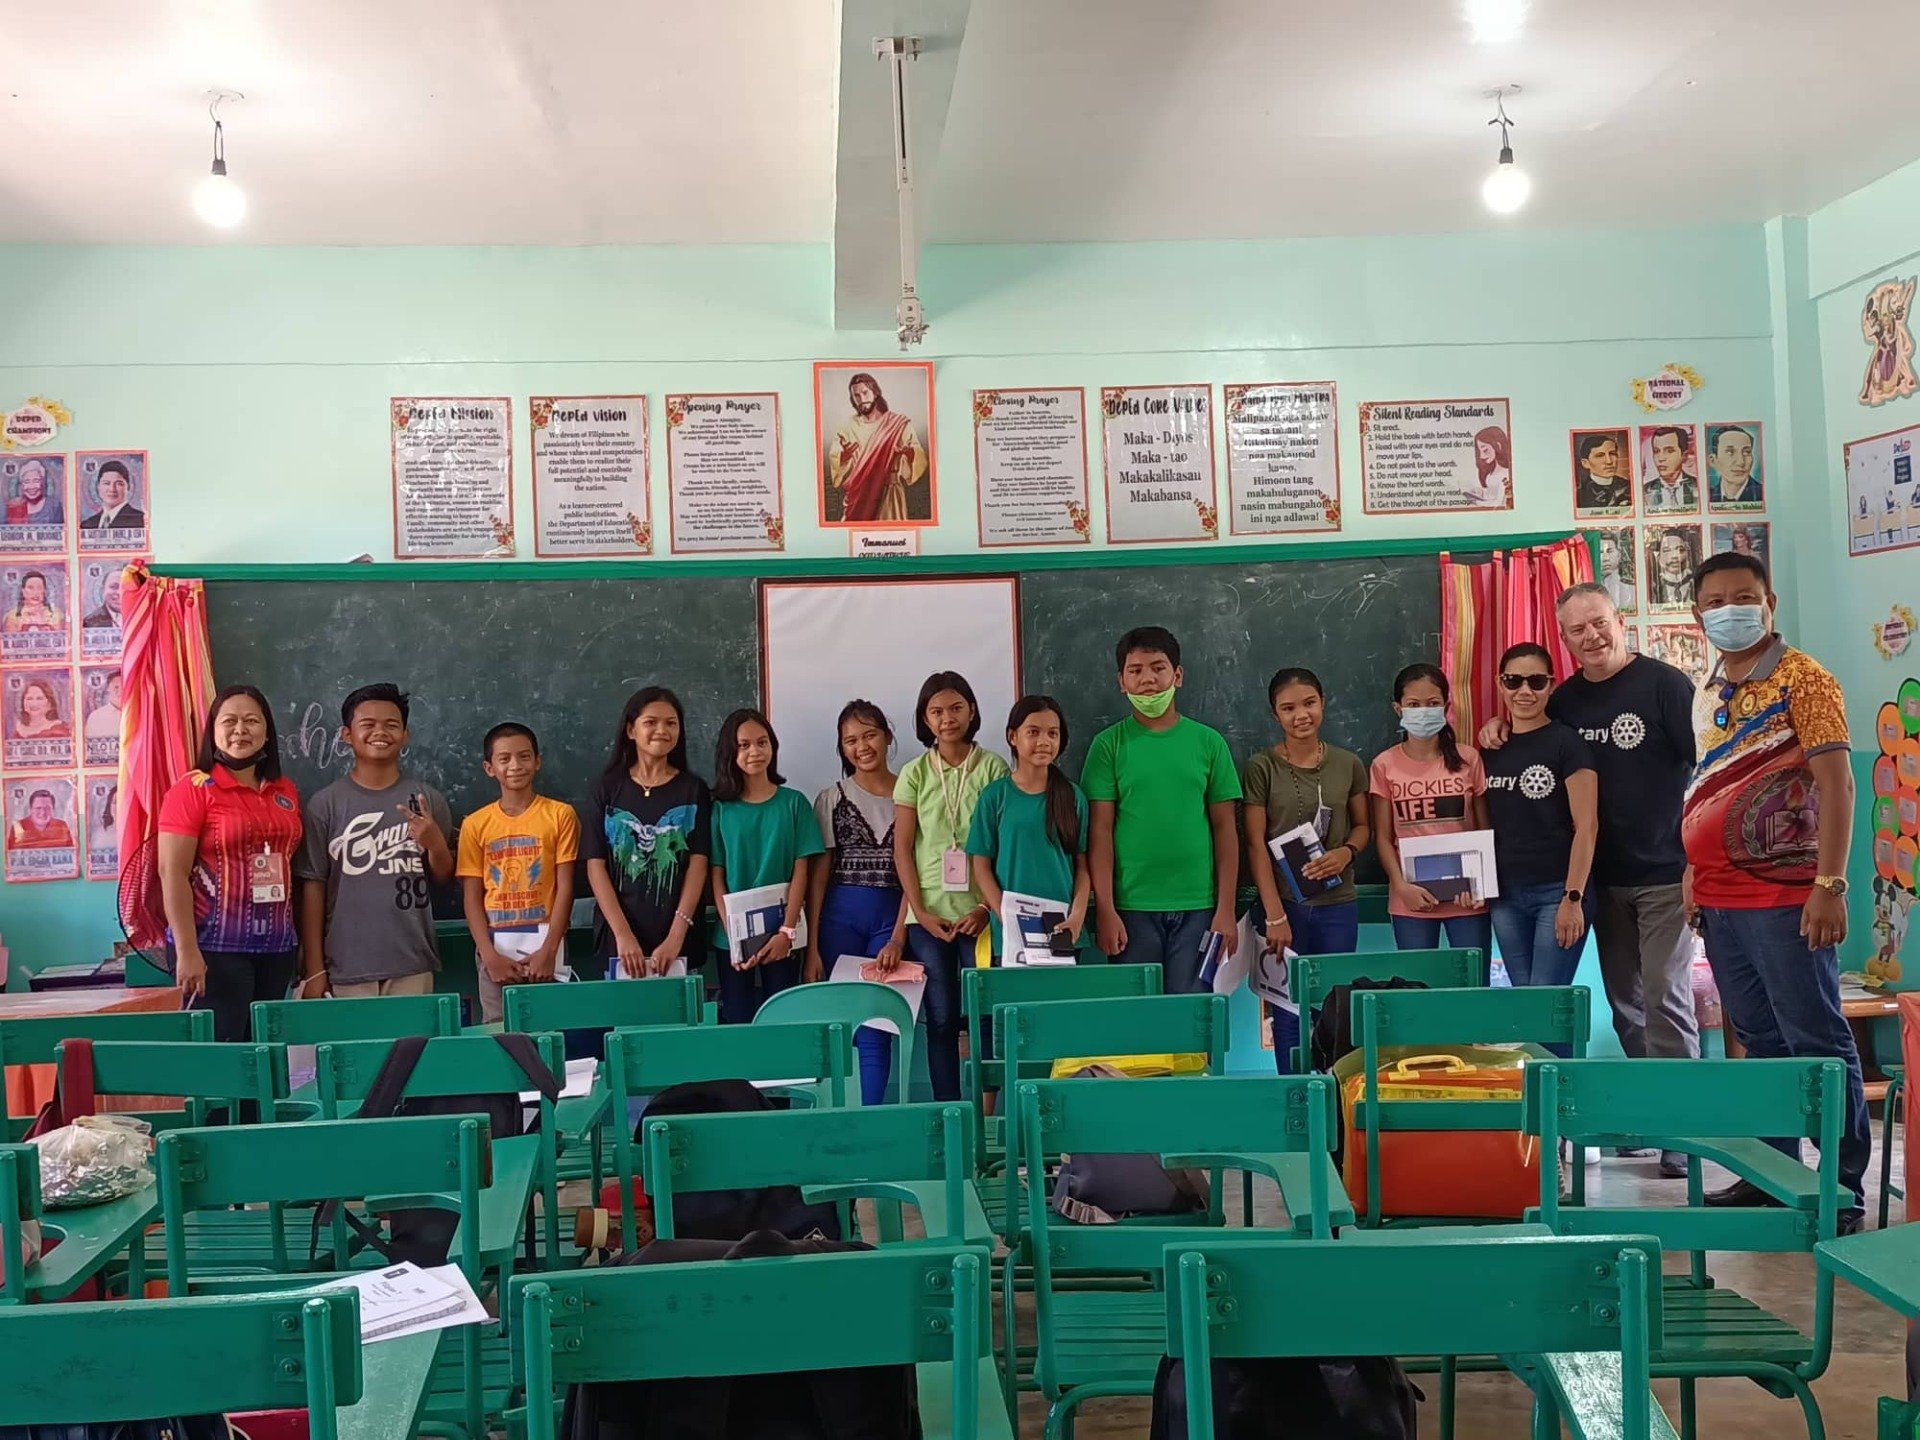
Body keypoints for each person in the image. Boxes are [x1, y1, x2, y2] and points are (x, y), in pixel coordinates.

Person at [1480, 583, 1700, 1177]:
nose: (1591, 637)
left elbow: (1704, 771)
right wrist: (1493, 732)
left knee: (1664, 994)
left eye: (1598, 623)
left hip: (1665, 874)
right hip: (1604, 881)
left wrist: (1697, 865)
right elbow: (1531, 742)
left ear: (1618, 620)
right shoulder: (1569, 700)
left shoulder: (1665, 685)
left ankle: (1684, 1132)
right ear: (1566, 640)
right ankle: (1652, 1118)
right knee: (1627, 1002)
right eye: (1577, 631)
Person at [1684, 552, 1869, 1230]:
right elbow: (1705, 784)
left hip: (1788, 895)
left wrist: (1830, 884)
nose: (1730, 609)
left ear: (1770, 603)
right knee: (1758, 1040)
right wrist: (1691, 871)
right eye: (1716, 600)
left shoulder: (1804, 678)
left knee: (1815, 1038)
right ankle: (1772, 1173)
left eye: (1744, 596)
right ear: (1699, 613)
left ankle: (1840, 1186)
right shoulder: (1708, 686)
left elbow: (1837, 785)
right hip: (1720, 899)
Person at [1085, 626, 1241, 991]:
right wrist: (1105, 910)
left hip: (1199, 907)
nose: (1148, 679)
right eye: (1135, 670)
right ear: (1121, 681)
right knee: (1141, 1025)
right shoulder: (1108, 746)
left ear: (1178, 675)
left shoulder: (1209, 743)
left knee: (1194, 1020)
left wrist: (1226, 909)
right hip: (1131, 909)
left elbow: (1225, 829)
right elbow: (1100, 832)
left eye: (1158, 667)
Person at [156, 685, 304, 1041]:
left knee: (266, 1058)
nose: (241, 730)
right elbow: (171, 872)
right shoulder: (193, 789)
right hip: (213, 949)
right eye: (230, 721)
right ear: (213, 730)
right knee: (221, 1060)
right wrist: (188, 951)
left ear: (267, 731)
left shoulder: (284, 789)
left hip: (277, 948)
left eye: (252, 721)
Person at [1242, 667, 1371, 1072]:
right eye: (1288, 708)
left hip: (1338, 905)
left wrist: (1347, 852)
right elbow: (1254, 843)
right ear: (1275, 715)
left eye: (1309, 703)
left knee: (1336, 1005)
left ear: (1323, 703)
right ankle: (1293, 1094)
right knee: (1287, 1008)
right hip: (1284, 906)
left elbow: (1365, 825)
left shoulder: (1348, 764)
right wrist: (1275, 916)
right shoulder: (1261, 767)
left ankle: (1334, 1096)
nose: (1301, 715)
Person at [891, 671, 1009, 1101]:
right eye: (936, 711)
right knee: (940, 1019)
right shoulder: (915, 773)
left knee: (985, 1019)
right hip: (929, 918)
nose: (947, 718)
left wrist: (984, 909)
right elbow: (903, 849)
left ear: (972, 710)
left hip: (982, 916)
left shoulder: (994, 767)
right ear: (924, 718)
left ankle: (987, 1114)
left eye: (956, 707)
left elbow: (1002, 844)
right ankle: (948, 1115)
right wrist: (919, 912)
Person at [295, 683, 455, 999]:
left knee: (411, 1048)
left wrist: (436, 844)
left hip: (411, 960)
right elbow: (312, 888)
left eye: (391, 724)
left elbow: (443, 877)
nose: (379, 732)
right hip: (345, 965)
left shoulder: (427, 800)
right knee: (353, 1049)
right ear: (346, 734)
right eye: (367, 724)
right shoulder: (325, 805)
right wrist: (314, 969)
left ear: (405, 735)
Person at [1482, 644, 1598, 1002]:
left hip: (1557, 892)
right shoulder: (1489, 747)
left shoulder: (1568, 744)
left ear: (1551, 685)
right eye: (1513, 681)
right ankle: (1540, 1061)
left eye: (1536, 682)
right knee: (1525, 1006)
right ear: (1500, 685)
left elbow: (1587, 826)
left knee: (1546, 1004)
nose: (1524, 692)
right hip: (1506, 896)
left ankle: (1554, 1062)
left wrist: (1572, 897)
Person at [809, 700, 909, 1105]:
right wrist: (812, 944)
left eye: (869, 735)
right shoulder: (831, 798)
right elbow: (819, 876)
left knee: (876, 1028)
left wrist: (899, 936)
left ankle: (872, 1122)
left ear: (886, 736)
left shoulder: (912, 792)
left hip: (890, 924)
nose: (861, 746)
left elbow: (915, 878)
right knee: (838, 1028)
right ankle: (835, 1122)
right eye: (850, 740)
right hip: (838, 923)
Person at [580, 686, 712, 980]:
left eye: (671, 723)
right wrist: (623, 936)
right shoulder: (607, 789)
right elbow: (595, 866)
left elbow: (698, 864)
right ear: (631, 730)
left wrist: (677, 934)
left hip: (679, 938)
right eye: (650, 722)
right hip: (620, 940)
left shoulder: (693, 790)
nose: (661, 730)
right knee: (626, 1021)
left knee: (679, 1022)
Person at [457, 722, 579, 1025]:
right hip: (494, 952)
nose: (515, 766)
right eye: (504, 758)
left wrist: (549, 950)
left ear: (537, 762)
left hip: (546, 948)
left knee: (550, 1031)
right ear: (489, 767)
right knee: (498, 1032)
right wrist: (489, 955)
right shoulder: (475, 824)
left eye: (524, 757)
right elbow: (472, 896)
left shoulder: (560, 815)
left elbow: (566, 888)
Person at [708, 708, 824, 1023]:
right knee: (738, 1020)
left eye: (762, 742)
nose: (754, 752)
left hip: (782, 933)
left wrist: (786, 931)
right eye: (744, 745)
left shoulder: (794, 803)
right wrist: (735, 934)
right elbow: (716, 876)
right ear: (730, 752)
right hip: (732, 939)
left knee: (782, 1019)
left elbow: (802, 871)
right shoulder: (720, 810)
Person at [1370, 664, 1492, 953]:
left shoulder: (1468, 759)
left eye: (1432, 703)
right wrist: (1400, 887)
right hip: (1411, 900)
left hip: (1466, 898)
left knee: (1473, 989)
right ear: (1398, 708)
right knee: (1417, 989)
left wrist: (1480, 885)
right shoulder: (1383, 765)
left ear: (1446, 706)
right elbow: (1384, 838)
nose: (1423, 711)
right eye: (1413, 704)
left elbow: (1483, 828)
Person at [967, 695, 1091, 961]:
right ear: (1013, 736)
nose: (1044, 742)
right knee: (1017, 1002)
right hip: (1011, 932)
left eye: (1052, 733)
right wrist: (1005, 915)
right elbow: (981, 865)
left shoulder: (1073, 796)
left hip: (1063, 930)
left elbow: (1082, 867)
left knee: (1060, 1003)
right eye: (1033, 732)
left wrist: (1077, 915)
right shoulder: (995, 796)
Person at [827, 371, 929, 524]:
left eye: (865, 393)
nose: (862, 399)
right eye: (857, 396)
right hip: (860, 497)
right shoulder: (847, 427)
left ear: (875, 393)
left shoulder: (897, 424)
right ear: (853, 399)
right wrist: (843, 458)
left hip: (889, 495)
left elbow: (918, 456)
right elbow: (836, 464)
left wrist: (909, 454)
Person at [1642, 426, 1698, 513]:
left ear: (1684, 455)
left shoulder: (1698, 487)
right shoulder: (1644, 491)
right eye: (1656, 451)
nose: (1661, 458)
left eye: (1669, 451)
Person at [78, 460, 146, 532]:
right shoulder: (87, 525)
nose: (112, 489)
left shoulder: (141, 520)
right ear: (98, 487)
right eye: (106, 483)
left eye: (119, 484)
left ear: (128, 487)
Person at [1707, 425, 1762, 509]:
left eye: (1747, 452)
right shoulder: (1707, 496)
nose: (1741, 462)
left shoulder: (1763, 494)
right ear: (1713, 460)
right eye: (1730, 452)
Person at [1574, 433, 1633, 512]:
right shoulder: (1579, 493)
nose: (1609, 461)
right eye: (1600, 455)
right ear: (1585, 463)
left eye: (1612, 454)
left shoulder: (1629, 486)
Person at [1647, 528, 1697, 609]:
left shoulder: (1696, 583)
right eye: (1667, 550)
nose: (1674, 556)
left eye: (1680, 550)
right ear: (1658, 557)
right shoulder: (1654, 587)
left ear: (1688, 554)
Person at [3, 459, 62, 526]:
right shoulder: (14, 506)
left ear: (42, 482)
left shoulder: (54, 506)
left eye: (36, 480)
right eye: (26, 482)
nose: (31, 487)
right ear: (22, 485)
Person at [9, 787, 74, 849]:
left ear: (53, 809)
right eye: (38, 808)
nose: (43, 812)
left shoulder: (62, 826)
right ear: (30, 809)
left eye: (47, 808)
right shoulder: (18, 826)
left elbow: (72, 854)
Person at [1469, 426, 1512, 505]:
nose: (1481, 456)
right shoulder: (1489, 475)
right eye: (1479, 451)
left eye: (1485, 450)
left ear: (1498, 446)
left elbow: (1498, 503)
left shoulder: (1505, 475)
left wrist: (1475, 501)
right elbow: (1489, 496)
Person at [1597, 531, 1637, 613]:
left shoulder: (1630, 585)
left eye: (1609, 551)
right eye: (1600, 553)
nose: (1605, 558)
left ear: (1619, 554)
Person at [85, 670, 122, 741]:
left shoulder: (140, 714)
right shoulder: (96, 717)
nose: (120, 691)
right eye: (116, 687)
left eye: (124, 686)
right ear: (108, 688)